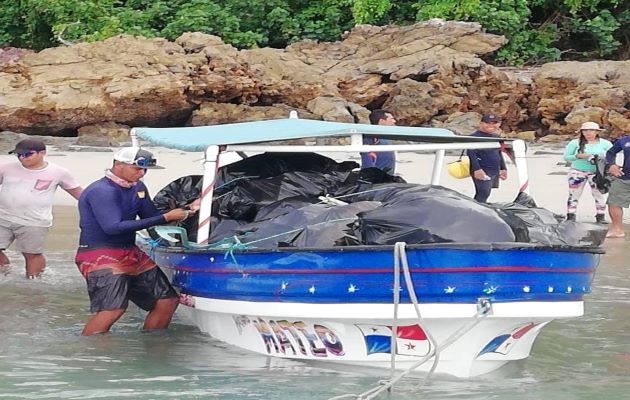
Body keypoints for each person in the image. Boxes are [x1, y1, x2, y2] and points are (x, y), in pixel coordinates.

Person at [76, 147, 191, 335]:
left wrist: (186, 209)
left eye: (144, 170)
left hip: (129, 251)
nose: (141, 173)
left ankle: (152, 349)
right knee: (113, 309)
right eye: (137, 169)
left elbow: (151, 216)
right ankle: (92, 354)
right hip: (98, 253)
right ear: (118, 165)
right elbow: (112, 227)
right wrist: (166, 218)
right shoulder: (102, 191)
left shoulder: (138, 188)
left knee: (167, 301)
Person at [0, 138, 83, 278]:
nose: (22, 158)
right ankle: (5, 273)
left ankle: (35, 283)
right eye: (19, 155)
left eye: (27, 154)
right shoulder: (6, 168)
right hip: (3, 217)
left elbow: (80, 194)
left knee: (31, 253)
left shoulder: (58, 172)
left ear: (42, 153)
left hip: (35, 221)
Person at [563, 122, 612, 223]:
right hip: (577, 171)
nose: (588, 133)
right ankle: (571, 216)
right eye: (585, 130)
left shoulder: (605, 144)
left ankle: (600, 216)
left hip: (597, 172)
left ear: (597, 132)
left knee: (599, 194)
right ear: (581, 132)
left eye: (591, 130)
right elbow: (566, 157)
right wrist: (577, 156)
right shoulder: (574, 143)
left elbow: (611, 157)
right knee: (574, 194)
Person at [467, 113, 507, 203]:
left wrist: (503, 168)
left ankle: (479, 209)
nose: (491, 125)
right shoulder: (474, 137)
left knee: (487, 192)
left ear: (499, 124)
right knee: (483, 192)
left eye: (494, 123)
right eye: (487, 123)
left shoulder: (496, 137)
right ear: (481, 123)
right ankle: (475, 211)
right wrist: (477, 169)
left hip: (494, 168)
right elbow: (471, 153)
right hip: (481, 168)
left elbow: (499, 152)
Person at [605, 134, 630, 238]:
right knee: (614, 202)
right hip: (624, 177)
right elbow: (610, 153)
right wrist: (612, 165)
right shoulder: (624, 140)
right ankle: (617, 230)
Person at [361, 109, 397, 174]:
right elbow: (367, 159)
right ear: (382, 121)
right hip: (377, 179)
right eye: (391, 119)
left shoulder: (384, 136)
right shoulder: (371, 137)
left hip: (387, 177)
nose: (394, 121)